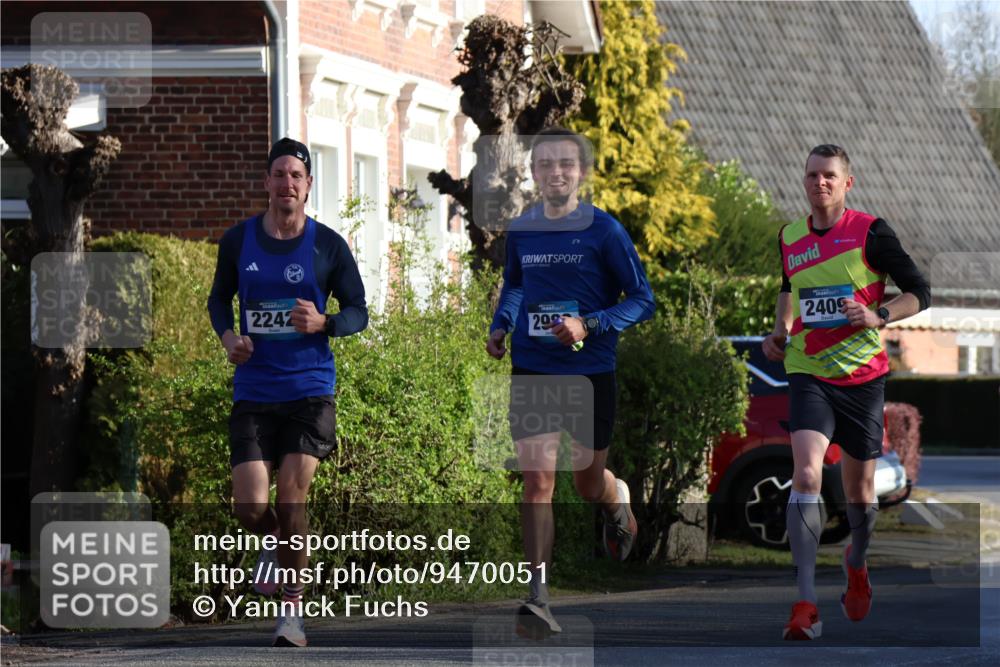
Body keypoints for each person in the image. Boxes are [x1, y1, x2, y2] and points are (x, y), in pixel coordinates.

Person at [486, 127, 655, 637]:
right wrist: (502, 323)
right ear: (533, 172)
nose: (555, 172)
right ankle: (538, 596)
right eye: (545, 164)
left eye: (566, 163)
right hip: (533, 367)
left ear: (580, 172)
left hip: (589, 370)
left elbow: (642, 300)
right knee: (537, 482)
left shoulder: (606, 231)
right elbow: (516, 285)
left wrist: (590, 323)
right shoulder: (523, 229)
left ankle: (614, 497)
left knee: (586, 484)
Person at [762, 144, 930, 641]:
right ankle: (806, 604)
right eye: (812, 175)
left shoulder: (871, 232)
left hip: (862, 377)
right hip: (808, 370)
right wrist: (780, 330)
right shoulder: (790, 236)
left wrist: (879, 315)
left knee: (859, 495)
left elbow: (920, 291)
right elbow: (789, 287)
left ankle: (856, 561)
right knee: (805, 475)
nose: (820, 183)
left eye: (829, 176)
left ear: (847, 183)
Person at [207, 138, 368, 647]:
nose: (287, 183)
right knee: (250, 507)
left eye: (296, 175)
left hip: (309, 390)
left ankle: (292, 613)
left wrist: (325, 322)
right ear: (266, 182)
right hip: (254, 390)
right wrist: (228, 338)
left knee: (292, 500)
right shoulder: (239, 241)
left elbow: (359, 311)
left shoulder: (328, 246)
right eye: (278, 174)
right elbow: (218, 300)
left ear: (308, 185)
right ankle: (276, 543)